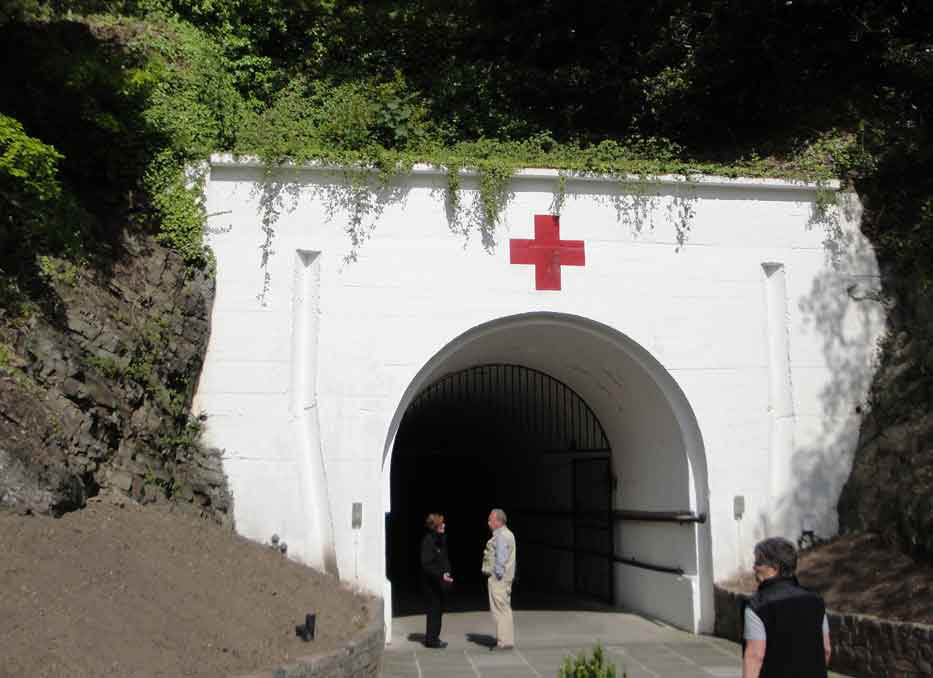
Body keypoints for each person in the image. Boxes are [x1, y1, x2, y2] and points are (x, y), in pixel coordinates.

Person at [743, 537, 831, 678]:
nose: (754, 567)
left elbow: (755, 656)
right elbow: (826, 650)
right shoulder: (816, 602)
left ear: (775, 568)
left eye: (758, 562)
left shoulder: (757, 606)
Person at [481, 508, 516, 651]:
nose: (488, 522)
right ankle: (508, 640)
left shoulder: (501, 536)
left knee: (498, 611)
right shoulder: (509, 534)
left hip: (499, 580)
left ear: (499, 521)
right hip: (506, 579)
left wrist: (496, 575)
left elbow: (500, 559)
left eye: (491, 520)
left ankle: (502, 642)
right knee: (505, 609)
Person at [420, 513, 453, 649]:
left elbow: (444, 558)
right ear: (435, 527)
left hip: (441, 581)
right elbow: (427, 564)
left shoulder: (441, 539)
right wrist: (440, 574)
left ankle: (435, 637)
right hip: (432, 582)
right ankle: (431, 639)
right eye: (441, 524)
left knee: (439, 609)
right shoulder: (428, 541)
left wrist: (447, 571)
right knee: (433, 609)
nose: (444, 525)